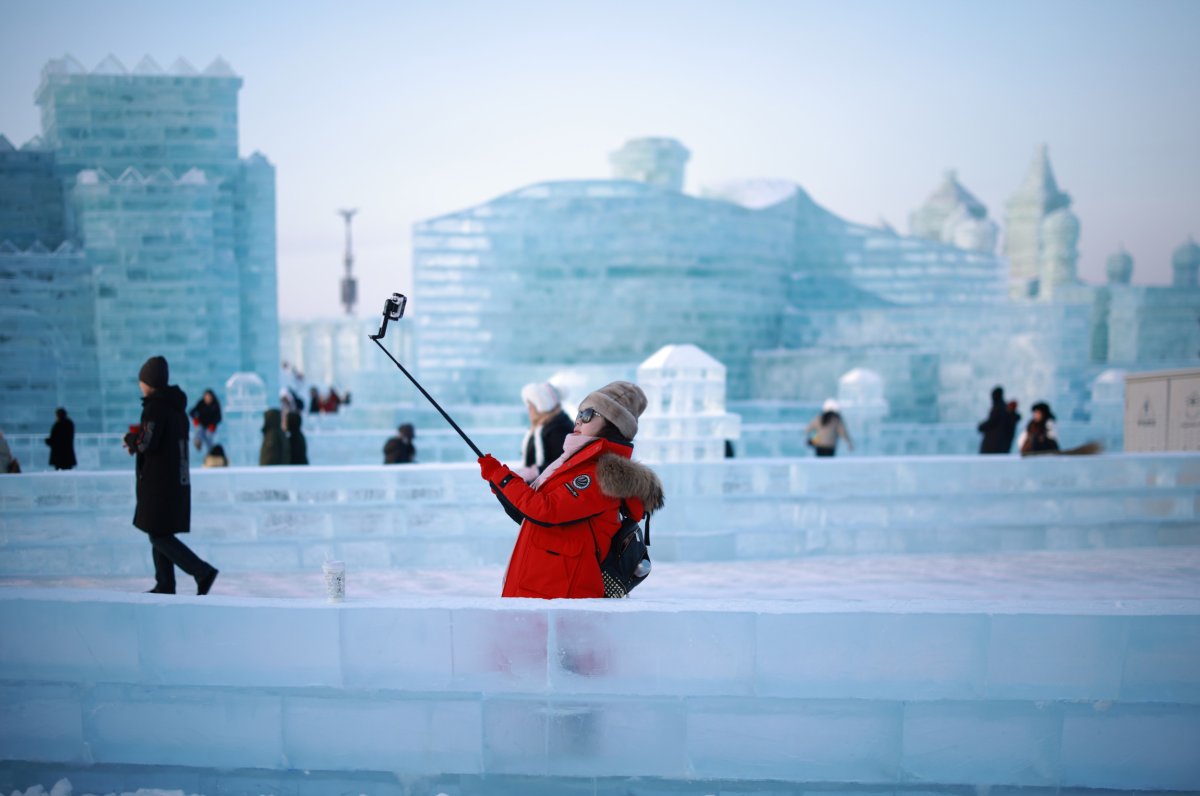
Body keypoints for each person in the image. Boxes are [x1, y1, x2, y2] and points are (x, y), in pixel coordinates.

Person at [476, 381, 665, 599]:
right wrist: (499, 483)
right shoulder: (576, 465)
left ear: (612, 423)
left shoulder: (601, 475)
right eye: (578, 413)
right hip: (541, 590)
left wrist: (502, 477)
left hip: (558, 598)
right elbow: (531, 517)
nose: (577, 420)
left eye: (587, 414)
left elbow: (546, 510)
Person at [122, 355, 218, 596]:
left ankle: (201, 571)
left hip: (159, 482)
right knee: (159, 531)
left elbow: (147, 442)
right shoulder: (176, 409)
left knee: (157, 534)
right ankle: (165, 583)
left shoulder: (156, 408)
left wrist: (132, 439)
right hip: (174, 480)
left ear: (148, 383)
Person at [518, 381, 573, 478]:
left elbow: (563, 464)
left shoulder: (559, 428)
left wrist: (535, 471)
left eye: (531, 405)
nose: (529, 409)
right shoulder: (543, 426)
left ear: (542, 406)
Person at [977, 386, 1020, 454]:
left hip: (992, 445)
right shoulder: (1005, 409)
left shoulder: (998, 407)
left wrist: (981, 427)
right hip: (1002, 446)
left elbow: (991, 422)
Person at [189, 389, 222, 453]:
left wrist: (213, 424)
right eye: (206, 396)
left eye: (209, 397)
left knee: (208, 436)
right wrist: (195, 419)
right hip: (201, 424)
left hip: (210, 426)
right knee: (198, 430)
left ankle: (211, 453)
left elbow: (219, 417)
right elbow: (192, 412)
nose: (207, 398)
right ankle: (197, 442)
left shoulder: (215, 404)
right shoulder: (201, 403)